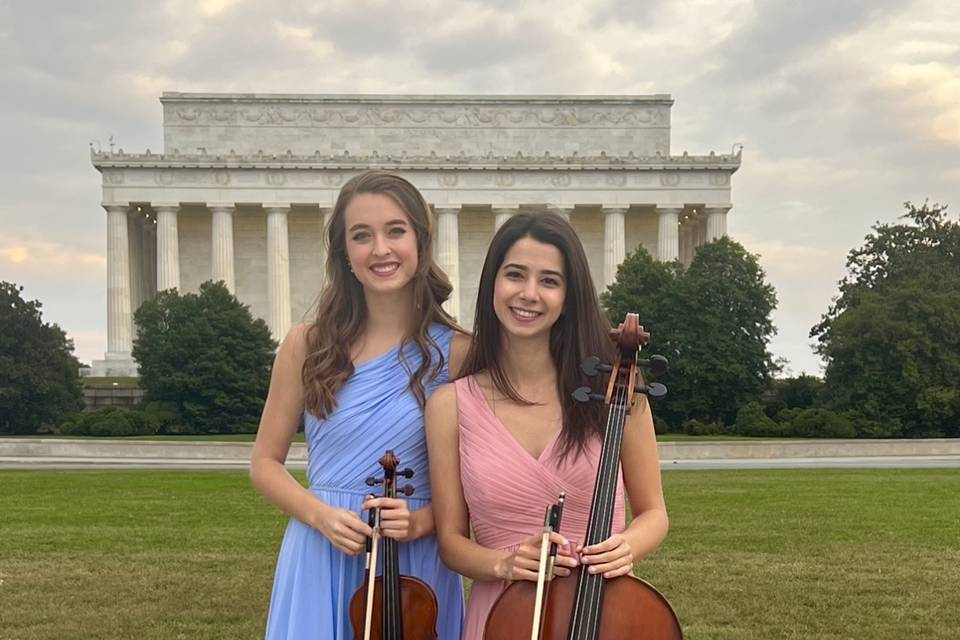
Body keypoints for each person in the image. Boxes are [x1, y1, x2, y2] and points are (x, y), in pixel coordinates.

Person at [425, 213, 669, 639]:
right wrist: (504, 562)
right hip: (502, 617)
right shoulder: (450, 405)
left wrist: (625, 547)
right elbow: (451, 541)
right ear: (492, 284)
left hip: (601, 615)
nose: (529, 294)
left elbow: (654, 513)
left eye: (550, 281)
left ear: (569, 295)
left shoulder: (615, 391)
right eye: (515, 275)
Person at [251, 170, 469, 639]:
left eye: (396, 230)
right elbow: (264, 464)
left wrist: (423, 520)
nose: (380, 249)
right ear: (344, 253)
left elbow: (480, 483)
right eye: (361, 236)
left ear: (421, 242)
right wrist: (320, 516)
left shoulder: (461, 352)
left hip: (416, 563)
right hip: (321, 550)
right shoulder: (305, 345)